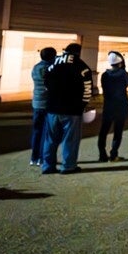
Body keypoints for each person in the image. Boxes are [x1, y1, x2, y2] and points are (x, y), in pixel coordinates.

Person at [41, 42, 94, 175]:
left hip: (52, 108)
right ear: (79, 53)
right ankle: (68, 166)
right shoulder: (82, 67)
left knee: (50, 139)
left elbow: (45, 81)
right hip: (72, 110)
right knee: (70, 139)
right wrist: (82, 105)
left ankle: (47, 166)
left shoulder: (53, 64)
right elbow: (87, 90)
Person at [98, 50, 128, 162]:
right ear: (120, 63)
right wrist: (123, 69)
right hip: (121, 106)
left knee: (103, 131)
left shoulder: (104, 75)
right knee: (118, 132)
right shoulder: (124, 74)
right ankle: (114, 154)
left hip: (108, 106)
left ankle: (102, 155)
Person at [29, 46, 56, 167]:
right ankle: (41, 157)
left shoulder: (35, 68)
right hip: (47, 104)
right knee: (46, 132)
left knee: (36, 131)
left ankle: (33, 157)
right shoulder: (51, 68)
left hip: (36, 103)